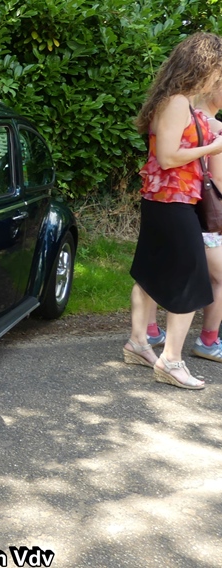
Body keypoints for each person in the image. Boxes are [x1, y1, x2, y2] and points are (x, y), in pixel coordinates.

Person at [123, 32, 222, 390]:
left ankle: (138, 344)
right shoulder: (177, 102)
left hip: (165, 200)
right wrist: (213, 148)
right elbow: (167, 158)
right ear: (203, 66)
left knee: (150, 273)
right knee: (191, 279)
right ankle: (171, 361)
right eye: (218, 70)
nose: (218, 79)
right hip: (172, 201)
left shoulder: (177, 102)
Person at [144, 87, 222, 362]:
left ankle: (147, 334)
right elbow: (217, 177)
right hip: (193, 208)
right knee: (205, 277)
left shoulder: (182, 113)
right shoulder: (208, 124)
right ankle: (205, 342)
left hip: (172, 200)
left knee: (156, 269)